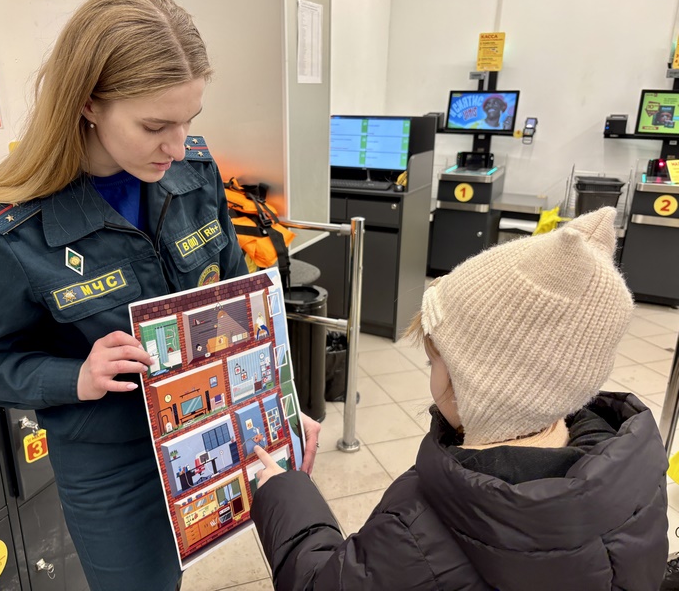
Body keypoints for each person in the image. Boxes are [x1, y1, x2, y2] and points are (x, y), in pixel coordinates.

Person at [0, 0, 320, 590]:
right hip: (113, 464)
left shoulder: (194, 172)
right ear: (88, 102)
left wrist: (278, 404)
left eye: (189, 120)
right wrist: (76, 377)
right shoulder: (7, 227)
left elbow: (240, 298)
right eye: (155, 126)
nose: (177, 145)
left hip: (212, 425)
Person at [251, 207, 669, 590]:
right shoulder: (634, 475)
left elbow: (319, 584)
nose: (431, 376)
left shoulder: (420, 528)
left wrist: (285, 493)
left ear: (483, 383)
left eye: (435, 361)